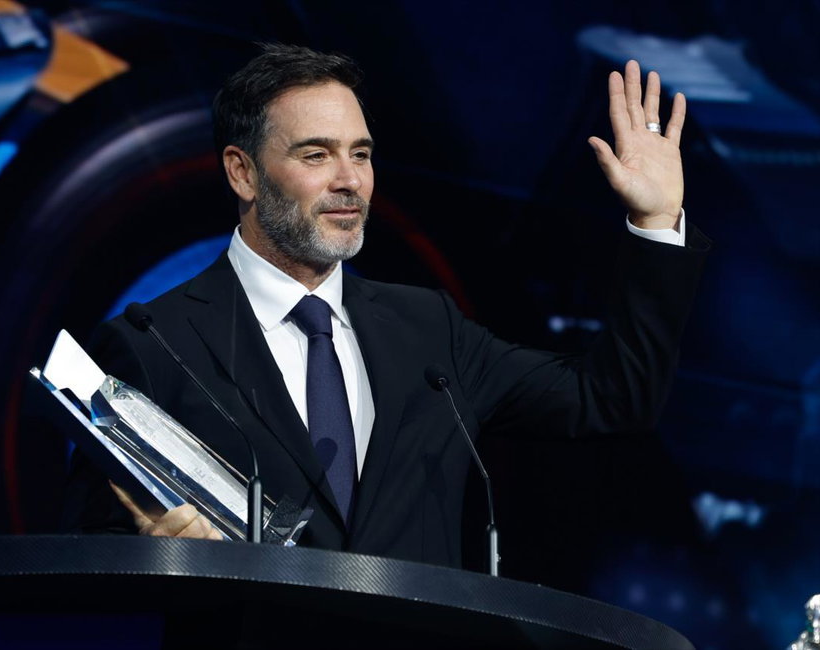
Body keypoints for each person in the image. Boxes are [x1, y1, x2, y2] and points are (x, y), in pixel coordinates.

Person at [62, 44, 709, 569]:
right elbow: (88, 563)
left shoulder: (428, 330)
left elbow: (611, 398)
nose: (349, 180)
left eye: (361, 154)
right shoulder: (153, 343)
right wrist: (160, 561)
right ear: (243, 173)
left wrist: (654, 221)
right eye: (315, 154)